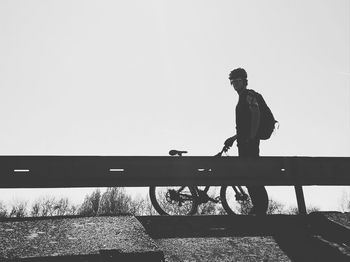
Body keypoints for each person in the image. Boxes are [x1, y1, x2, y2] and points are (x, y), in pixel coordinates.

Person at [224, 67, 269, 215]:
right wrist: (234, 137)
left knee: (251, 175)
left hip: (249, 143)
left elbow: (255, 114)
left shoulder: (248, 95)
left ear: (244, 81)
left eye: (238, 81)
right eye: (233, 82)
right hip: (244, 141)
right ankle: (259, 207)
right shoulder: (242, 96)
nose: (235, 84)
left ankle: (260, 208)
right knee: (248, 175)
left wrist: (251, 137)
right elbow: (245, 124)